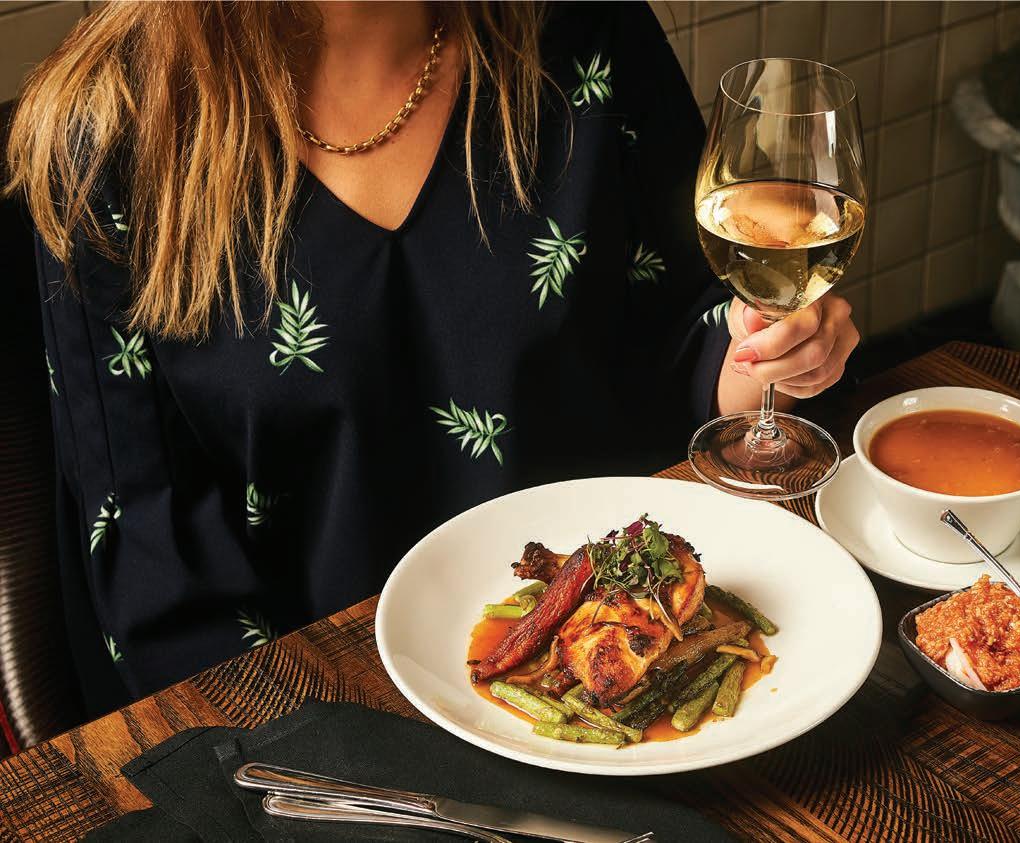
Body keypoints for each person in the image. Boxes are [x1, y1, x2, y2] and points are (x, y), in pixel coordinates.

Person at [5, 1, 859, 714]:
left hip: (620, 686)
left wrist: (755, 362)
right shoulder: (107, 132)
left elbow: (680, 332)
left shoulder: (586, 26)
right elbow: (149, 553)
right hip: (317, 728)